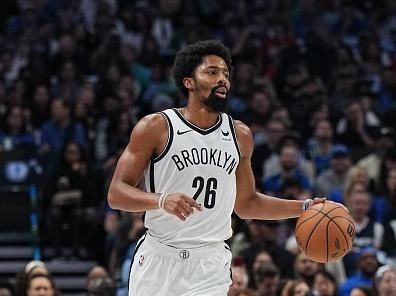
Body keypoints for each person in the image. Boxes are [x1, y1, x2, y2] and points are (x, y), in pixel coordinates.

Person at [107, 40, 327, 296]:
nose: (223, 79)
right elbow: (116, 194)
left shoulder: (240, 135)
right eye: (212, 72)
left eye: (225, 74)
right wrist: (161, 200)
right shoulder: (157, 127)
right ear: (189, 82)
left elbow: (247, 204)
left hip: (209, 263)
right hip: (159, 257)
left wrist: (302, 208)